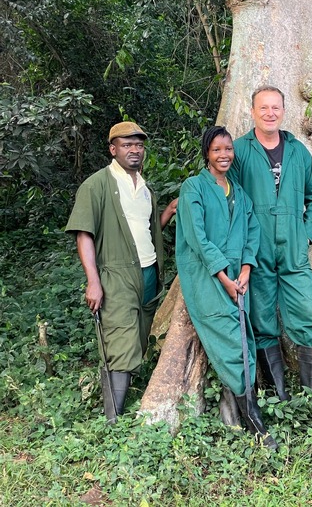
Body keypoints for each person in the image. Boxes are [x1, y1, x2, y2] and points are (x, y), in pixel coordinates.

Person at [66, 121, 177, 424]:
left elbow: (147, 231)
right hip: (116, 275)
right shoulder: (97, 185)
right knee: (120, 340)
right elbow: (84, 235)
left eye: (139, 145)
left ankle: (121, 405)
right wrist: (93, 281)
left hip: (149, 272)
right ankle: (113, 419)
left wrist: (165, 214)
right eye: (127, 145)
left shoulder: (145, 188)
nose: (134, 150)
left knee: (140, 338)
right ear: (113, 149)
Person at [176, 126, 276, 448]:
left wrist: (245, 269)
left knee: (245, 339)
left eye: (228, 149)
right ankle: (255, 424)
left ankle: (245, 416)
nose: (224, 155)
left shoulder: (239, 193)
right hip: (206, 278)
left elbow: (252, 232)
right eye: (217, 149)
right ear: (207, 153)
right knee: (236, 345)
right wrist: (224, 278)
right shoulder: (193, 188)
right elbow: (198, 238)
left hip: (237, 277)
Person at [231, 86, 312, 401]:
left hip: (294, 246)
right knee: (262, 318)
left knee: (307, 312)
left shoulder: (297, 151)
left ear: (284, 111)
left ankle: (310, 393)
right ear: (252, 111)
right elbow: (230, 198)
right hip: (256, 248)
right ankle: (279, 394)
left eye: (276, 108)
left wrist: (307, 232)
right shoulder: (240, 150)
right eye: (263, 108)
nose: (270, 113)